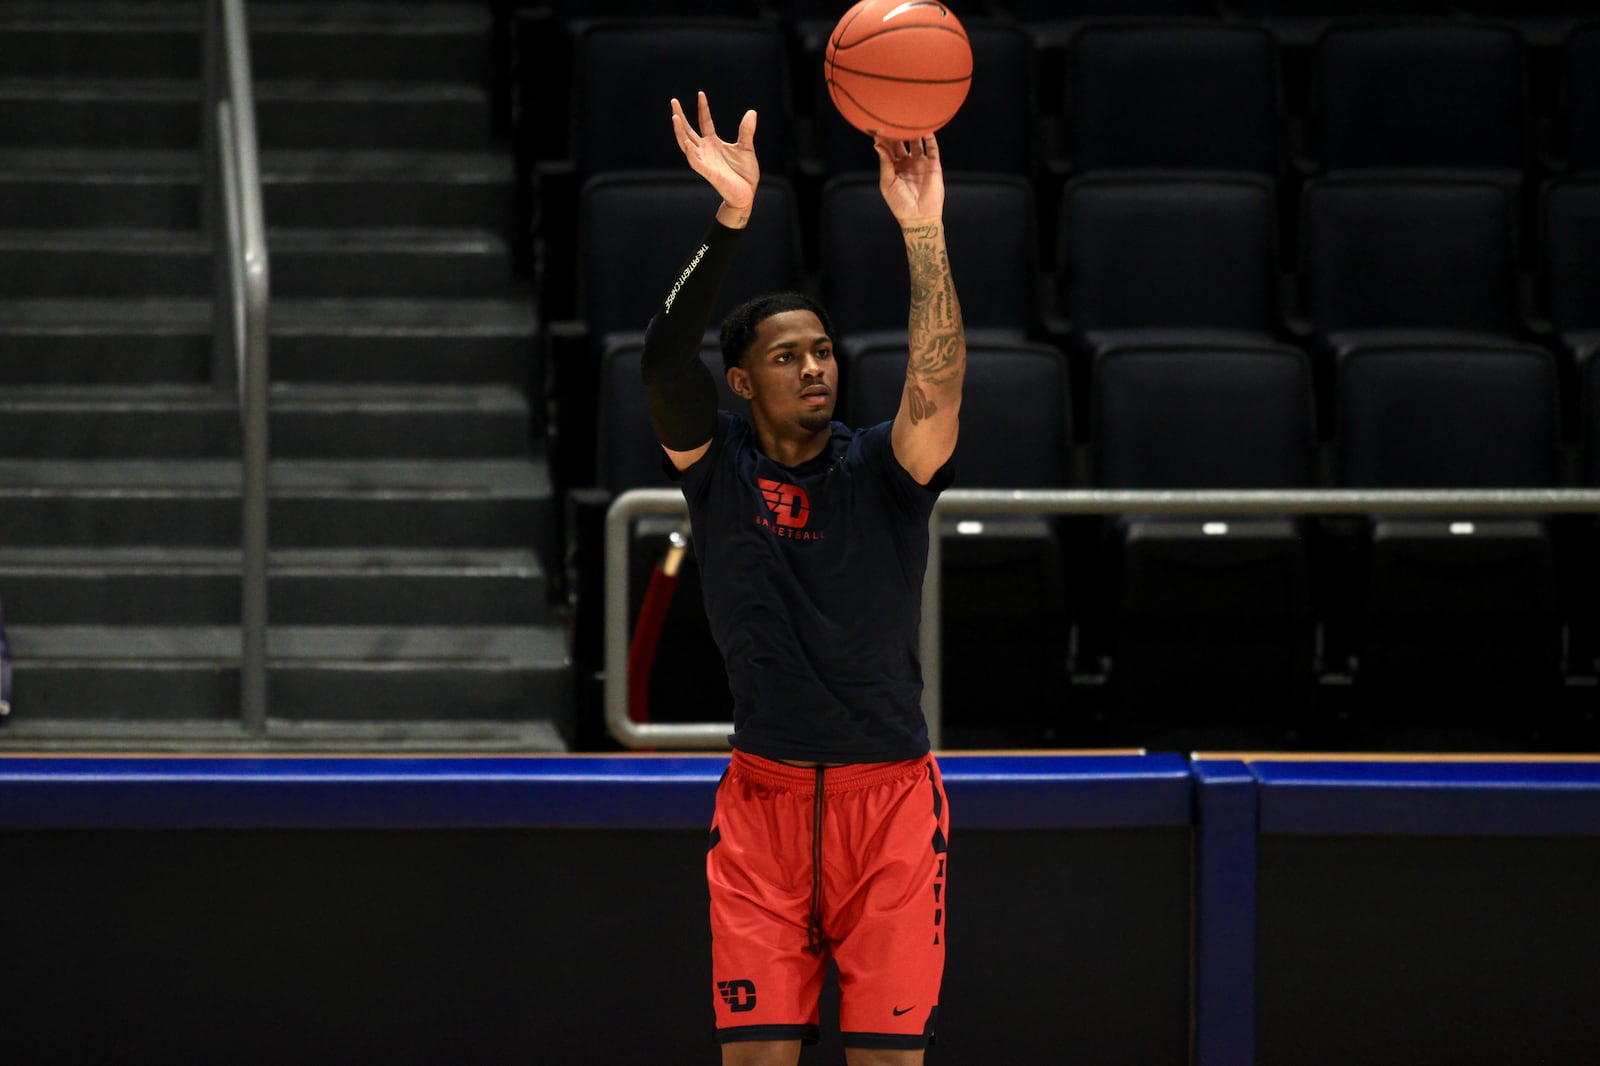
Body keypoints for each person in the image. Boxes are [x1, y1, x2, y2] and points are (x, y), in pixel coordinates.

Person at [640, 91, 966, 1066]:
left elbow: (937, 382)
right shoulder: (720, 466)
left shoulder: (884, 469)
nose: (815, 367)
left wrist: (923, 232)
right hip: (764, 804)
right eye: (787, 356)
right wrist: (729, 218)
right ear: (743, 381)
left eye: (822, 350)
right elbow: (662, 358)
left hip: (891, 806)